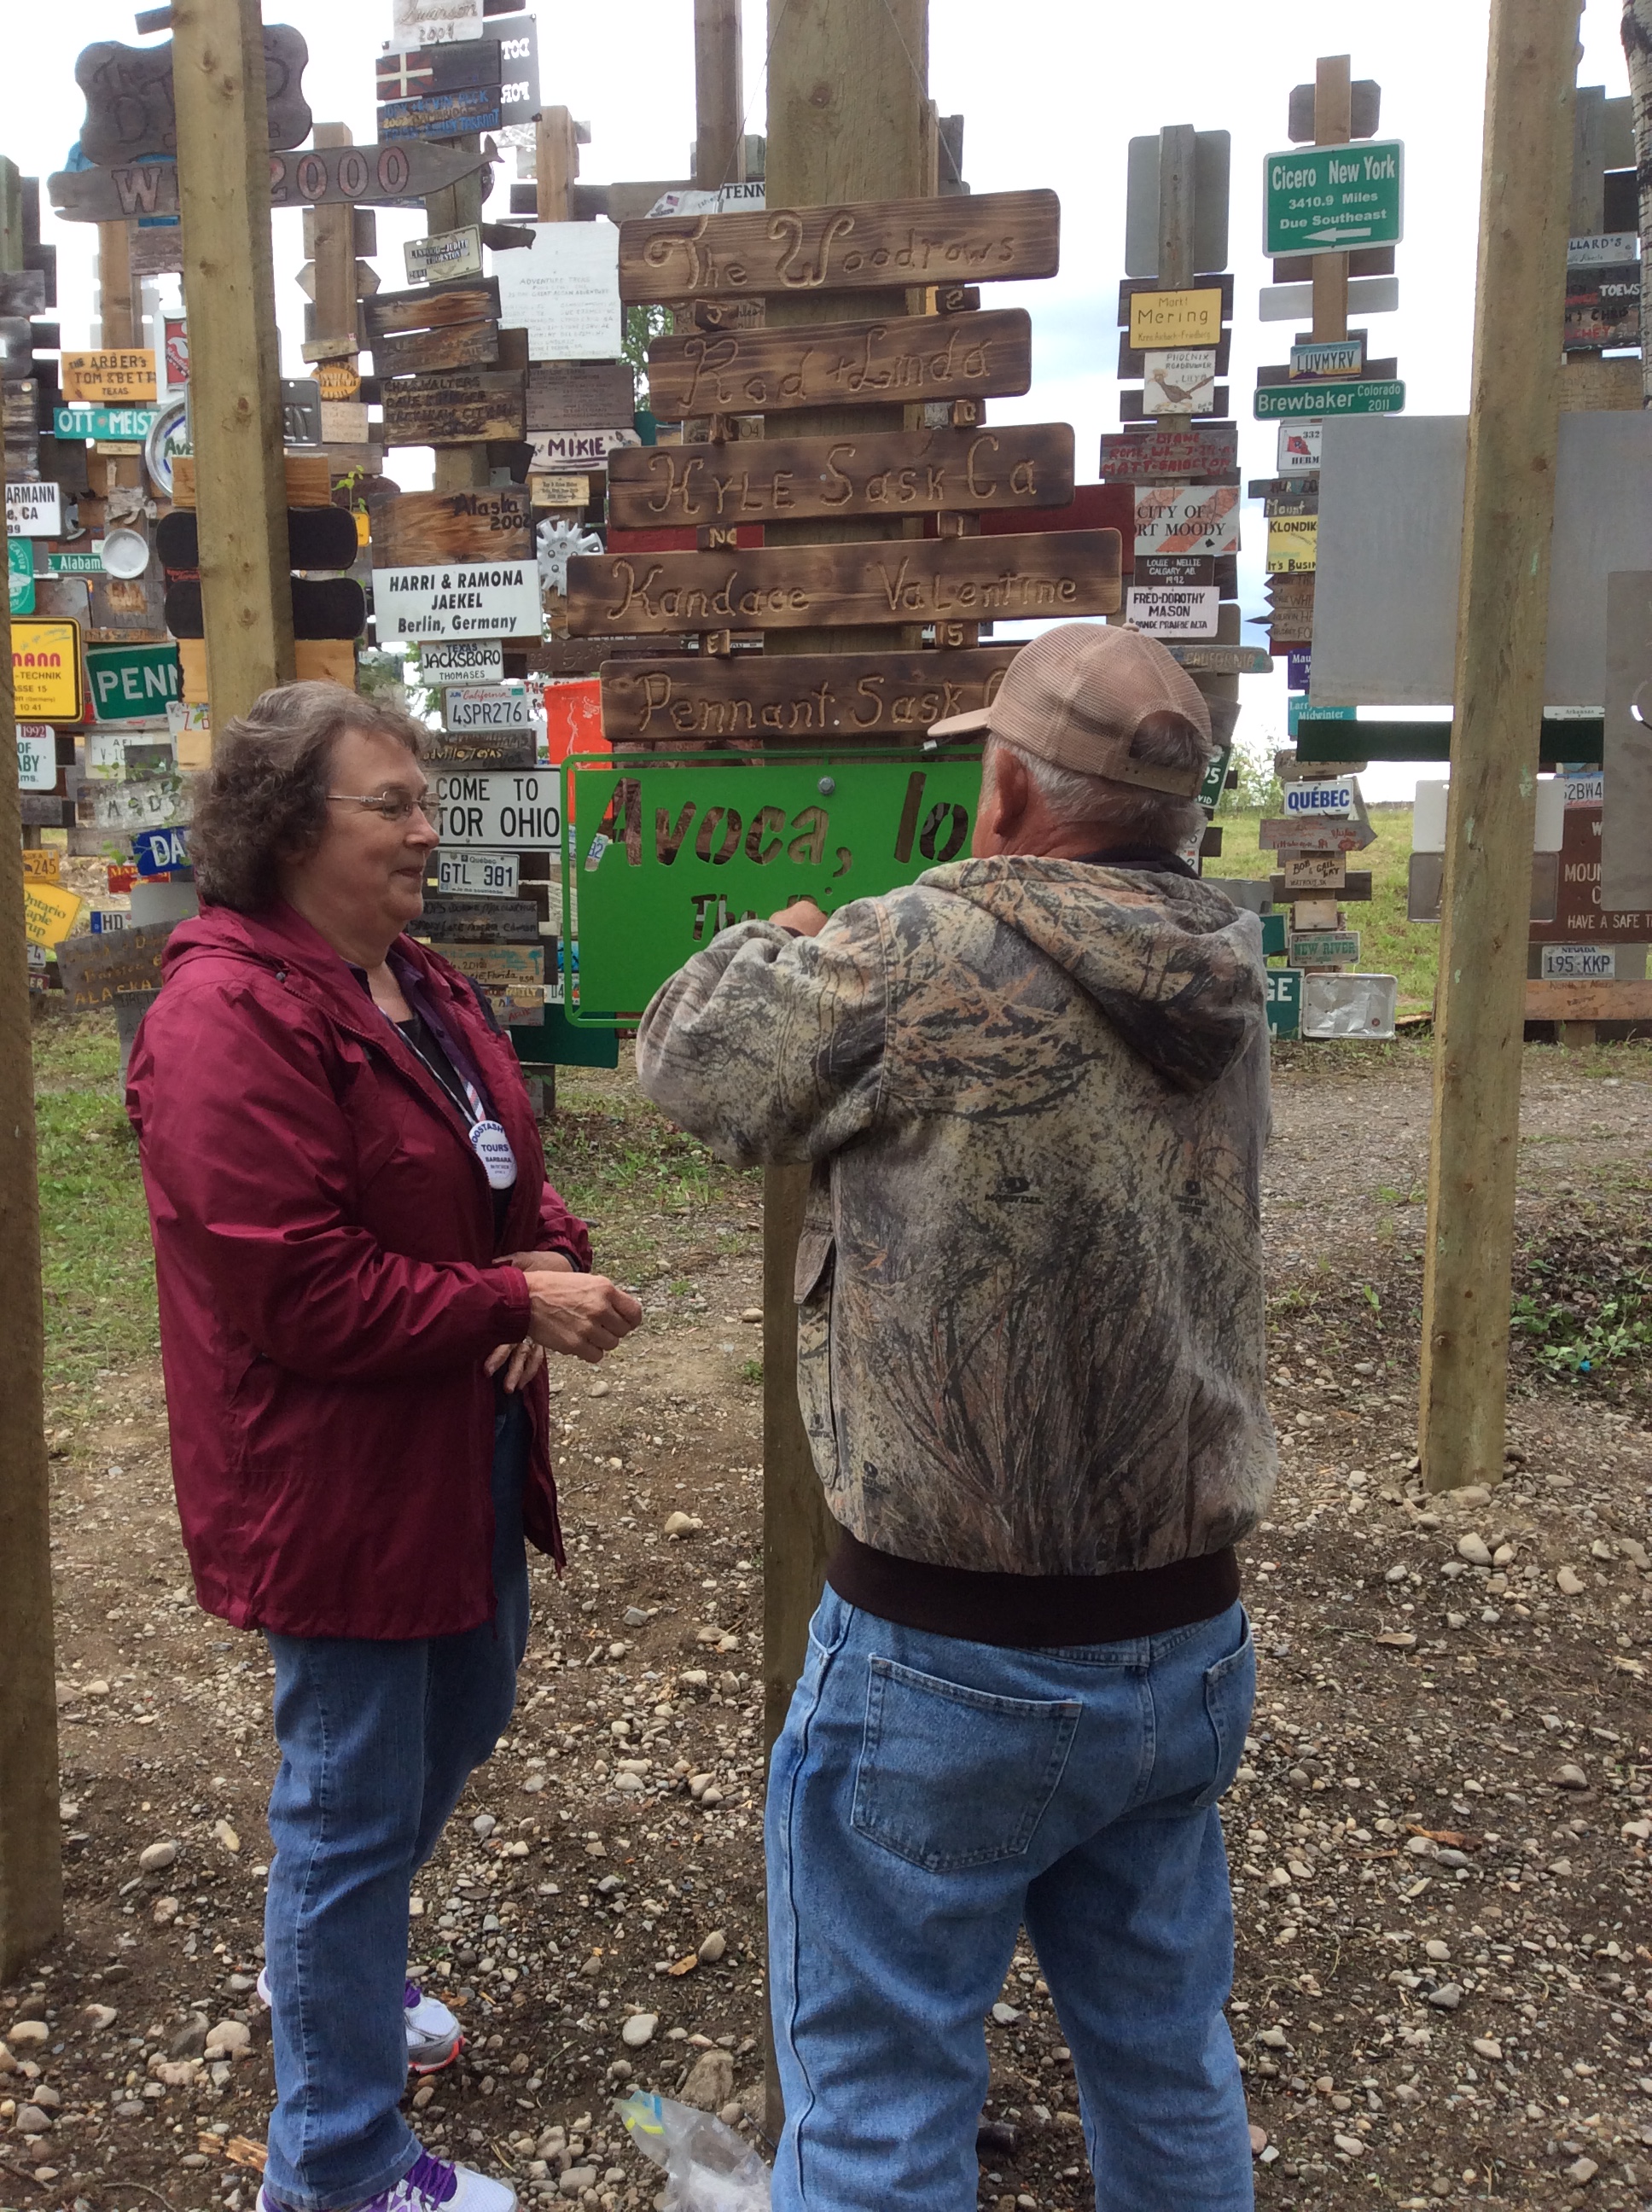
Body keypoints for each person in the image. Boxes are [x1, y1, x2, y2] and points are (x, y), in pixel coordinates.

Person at [635, 623, 1276, 2212]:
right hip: (1186, 1643)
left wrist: (776, 936)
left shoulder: (916, 950)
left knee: (876, 2097)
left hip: (946, 1652)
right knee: (1167, 2058)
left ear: (1008, 791)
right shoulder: (1227, 969)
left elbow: (687, 1064)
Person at [126, 682, 642, 2212]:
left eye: (426, 801)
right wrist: (509, 1298)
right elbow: (293, 1286)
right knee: (350, 1797)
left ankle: (326, 1963)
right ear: (290, 829)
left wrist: (547, 1252)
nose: (428, 831)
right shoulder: (226, 1014)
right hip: (331, 1477)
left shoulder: (417, 983)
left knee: (462, 1714)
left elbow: (507, 1178)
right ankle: (335, 2166)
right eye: (393, 805)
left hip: (455, 1439)